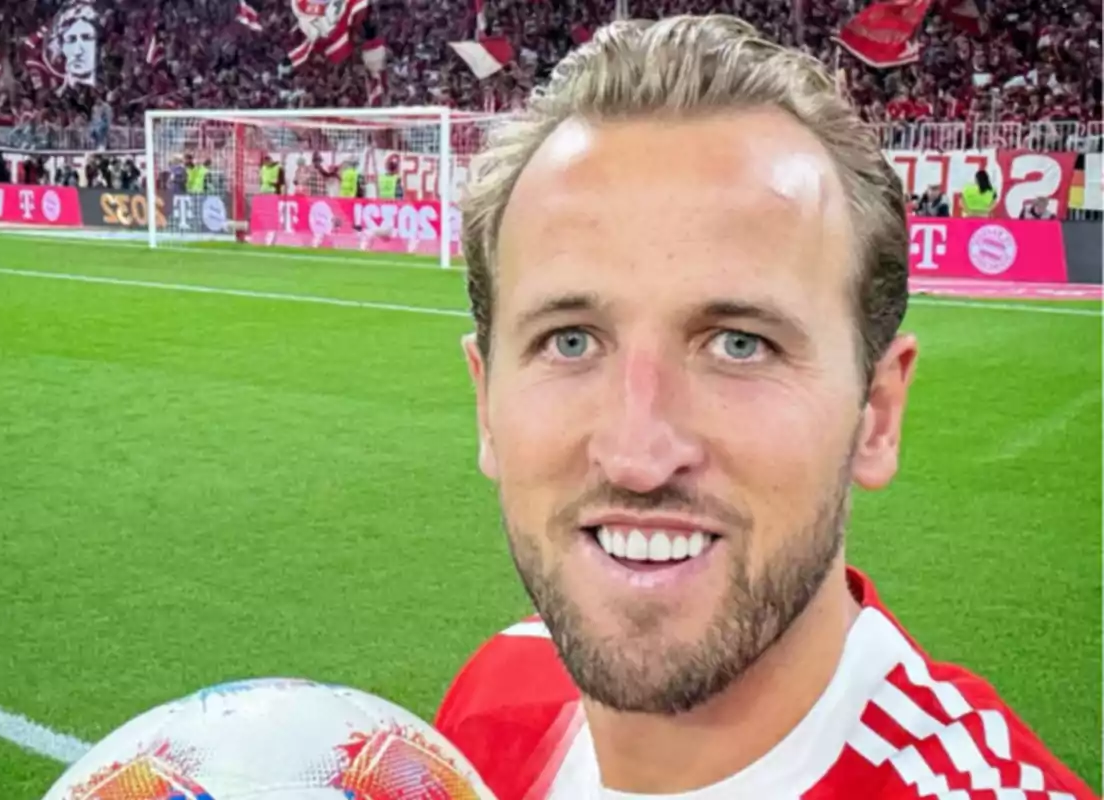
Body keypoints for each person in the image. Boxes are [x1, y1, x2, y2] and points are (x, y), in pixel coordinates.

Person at [434, 15, 1095, 800]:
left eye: (740, 345)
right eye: (570, 342)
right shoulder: (492, 699)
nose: (638, 455)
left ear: (876, 414)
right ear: (485, 405)